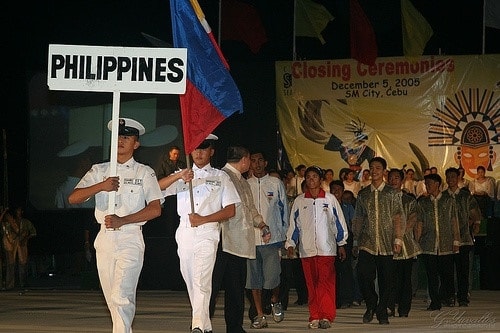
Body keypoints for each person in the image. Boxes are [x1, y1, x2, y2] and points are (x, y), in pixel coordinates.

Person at [68, 118, 164, 333]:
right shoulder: (100, 170)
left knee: (121, 295)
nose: (121, 140)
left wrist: (124, 220)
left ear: (136, 144)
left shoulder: (144, 172)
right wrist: (101, 185)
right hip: (105, 239)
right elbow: (73, 198)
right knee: (113, 299)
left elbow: (155, 209)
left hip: (130, 237)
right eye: (118, 136)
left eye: (127, 137)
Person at [158, 134, 240, 333]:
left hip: (207, 233)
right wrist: (179, 176)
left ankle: (196, 326)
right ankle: (206, 326)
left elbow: (230, 210)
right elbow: (156, 188)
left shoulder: (221, 177)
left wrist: (204, 219)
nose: (199, 152)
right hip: (184, 232)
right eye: (196, 148)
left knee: (201, 280)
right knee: (191, 282)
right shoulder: (183, 174)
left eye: (204, 148)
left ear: (211, 151)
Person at [209, 146, 270, 333]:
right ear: (244, 160)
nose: (250, 163)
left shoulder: (242, 181)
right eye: (250, 160)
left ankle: (235, 327)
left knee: (236, 289)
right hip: (222, 241)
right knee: (211, 288)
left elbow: (250, 208)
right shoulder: (220, 177)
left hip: (239, 244)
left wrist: (261, 224)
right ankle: (201, 325)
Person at [286, 166, 348, 329]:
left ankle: (326, 316)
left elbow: (339, 223)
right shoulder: (299, 201)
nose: (311, 179)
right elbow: (294, 225)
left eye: (315, 176)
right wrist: (291, 244)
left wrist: (341, 243)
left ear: (321, 180)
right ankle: (314, 315)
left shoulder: (330, 199)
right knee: (312, 284)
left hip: (326, 249)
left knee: (325, 283)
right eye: (308, 177)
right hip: (307, 250)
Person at [352, 157, 404, 325]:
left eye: (378, 168)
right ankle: (371, 303)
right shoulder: (363, 194)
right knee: (363, 274)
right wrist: (355, 240)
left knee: (387, 280)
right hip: (367, 242)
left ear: (384, 171)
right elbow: (358, 217)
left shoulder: (392, 193)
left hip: (387, 242)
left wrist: (398, 238)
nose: (374, 171)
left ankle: (382, 311)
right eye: (372, 168)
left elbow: (398, 216)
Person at [246, 150, 289, 329]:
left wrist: (285, 237)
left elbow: (284, 210)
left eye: (259, 160)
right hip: (250, 241)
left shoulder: (275, 182)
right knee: (254, 281)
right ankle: (260, 315)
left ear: (265, 163)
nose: (256, 164)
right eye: (253, 161)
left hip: (272, 241)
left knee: (272, 279)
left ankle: (275, 299)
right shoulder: (245, 184)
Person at [417, 173, 460, 310]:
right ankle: (435, 301)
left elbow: (454, 221)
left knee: (446, 273)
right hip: (428, 244)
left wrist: (456, 240)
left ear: (437, 184)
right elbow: (419, 223)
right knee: (431, 275)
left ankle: (447, 296)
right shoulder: (423, 202)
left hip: (446, 243)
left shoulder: (448, 200)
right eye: (425, 184)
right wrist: (417, 241)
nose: (427, 186)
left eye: (429, 183)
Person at [386, 169, 422, 318]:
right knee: (388, 278)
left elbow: (413, 221)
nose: (394, 181)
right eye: (391, 178)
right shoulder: (383, 199)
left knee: (405, 279)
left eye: (397, 178)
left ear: (401, 181)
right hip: (387, 244)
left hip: (405, 244)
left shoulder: (409, 201)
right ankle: (389, 306)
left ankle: (404, 309)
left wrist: (400, 236)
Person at [444, 167, 481, 307]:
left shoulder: (465, 197)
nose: (450, 179)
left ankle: (463, 297)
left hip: (464, 238)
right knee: (447, 271)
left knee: (463, 270)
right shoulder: (443, 197)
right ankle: (449, 296)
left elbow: (475, 213)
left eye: (453, 177)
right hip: (446, 240)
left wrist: (476, 223)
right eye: (448, 177)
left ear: (458, 178)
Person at [329, 180, 357, 309]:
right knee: (332, 270)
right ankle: (334, 298)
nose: (336, 192)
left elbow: (353, 224)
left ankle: (347, 298)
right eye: (333, 190)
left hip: (346, 240)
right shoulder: (326, 205)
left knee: (345, 269)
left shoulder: (347, 207)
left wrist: (354, 242)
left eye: (338, 190)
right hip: (330, 240)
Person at [1, 206, 37, 290]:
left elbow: (33, 232)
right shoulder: (9, 222)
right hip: (11, 243)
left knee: (23, 263)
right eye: (17, 210)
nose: (18, 212)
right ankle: (10, 285)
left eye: (20, 210)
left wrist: (25, 238)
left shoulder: (25, 222)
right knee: (11, 264)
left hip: (22, 243)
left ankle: (23, 283)